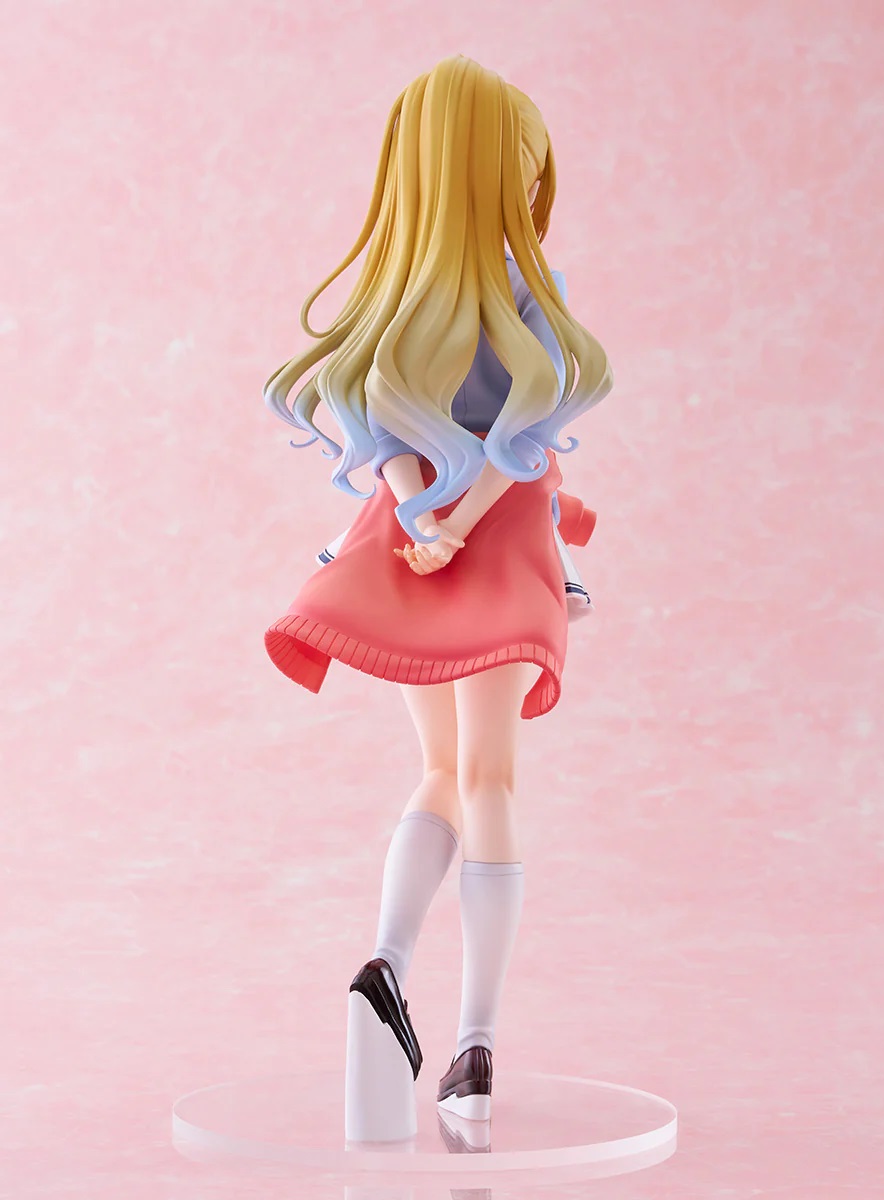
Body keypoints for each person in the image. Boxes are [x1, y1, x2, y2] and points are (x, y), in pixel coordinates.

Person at [262, 53, 613, 1130]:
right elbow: (524, 445)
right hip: (496, 547)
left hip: (416, 543)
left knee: (440, 772)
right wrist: (457, 525)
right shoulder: (527, 303)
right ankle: (475, 1045)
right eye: (522, 170)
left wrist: (422, 520)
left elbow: (387, 434)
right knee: (489, 777)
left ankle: (386, 962)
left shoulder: (393, 303)